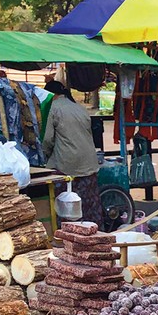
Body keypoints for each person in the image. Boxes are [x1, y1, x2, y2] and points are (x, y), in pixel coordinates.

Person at [42, 80, 104, 229]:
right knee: (88, 203)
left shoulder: (53, 108)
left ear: (51, 95)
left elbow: (47, 140)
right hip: (89, 162)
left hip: (68, 164)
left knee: (66, 205)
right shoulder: (80, 108)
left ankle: (69, 234)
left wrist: (43, 156)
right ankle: (95, 231)